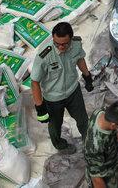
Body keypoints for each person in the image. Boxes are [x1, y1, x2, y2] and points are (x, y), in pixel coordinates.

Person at [31, 22, 94, 154]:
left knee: (83, 120)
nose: (60, 47)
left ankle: (89, 143)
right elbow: (35, 82)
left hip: (73, 91)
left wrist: (87, 76)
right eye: (57, 43)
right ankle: (59, 144)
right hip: (53, 98)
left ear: (71, 39)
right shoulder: (44, 54)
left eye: (64, 44)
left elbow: (80, 60)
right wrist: (40, 107)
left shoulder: (76, 45)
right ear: (53, 39)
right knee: (55, 125)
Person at [84, 99, 118, 188]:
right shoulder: (95, 146)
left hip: (108, 163)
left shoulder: (100, 112)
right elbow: (96, 178)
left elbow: (112, 130)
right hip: (104, 174)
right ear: (113, 125)